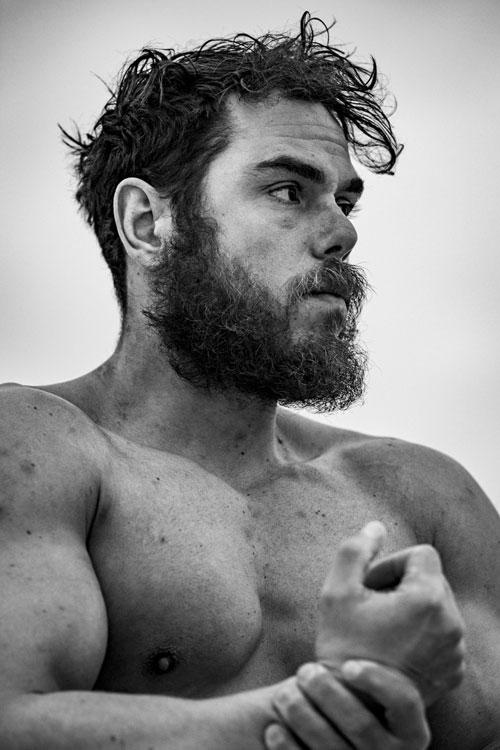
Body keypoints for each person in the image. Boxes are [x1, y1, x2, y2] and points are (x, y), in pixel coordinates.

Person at [0, 12, 498, 749]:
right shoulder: (35, 450)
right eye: (289, 191)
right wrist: (347, 697)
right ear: (148, 223)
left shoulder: (425, 498)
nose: (343, 232)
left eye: (344, 200)